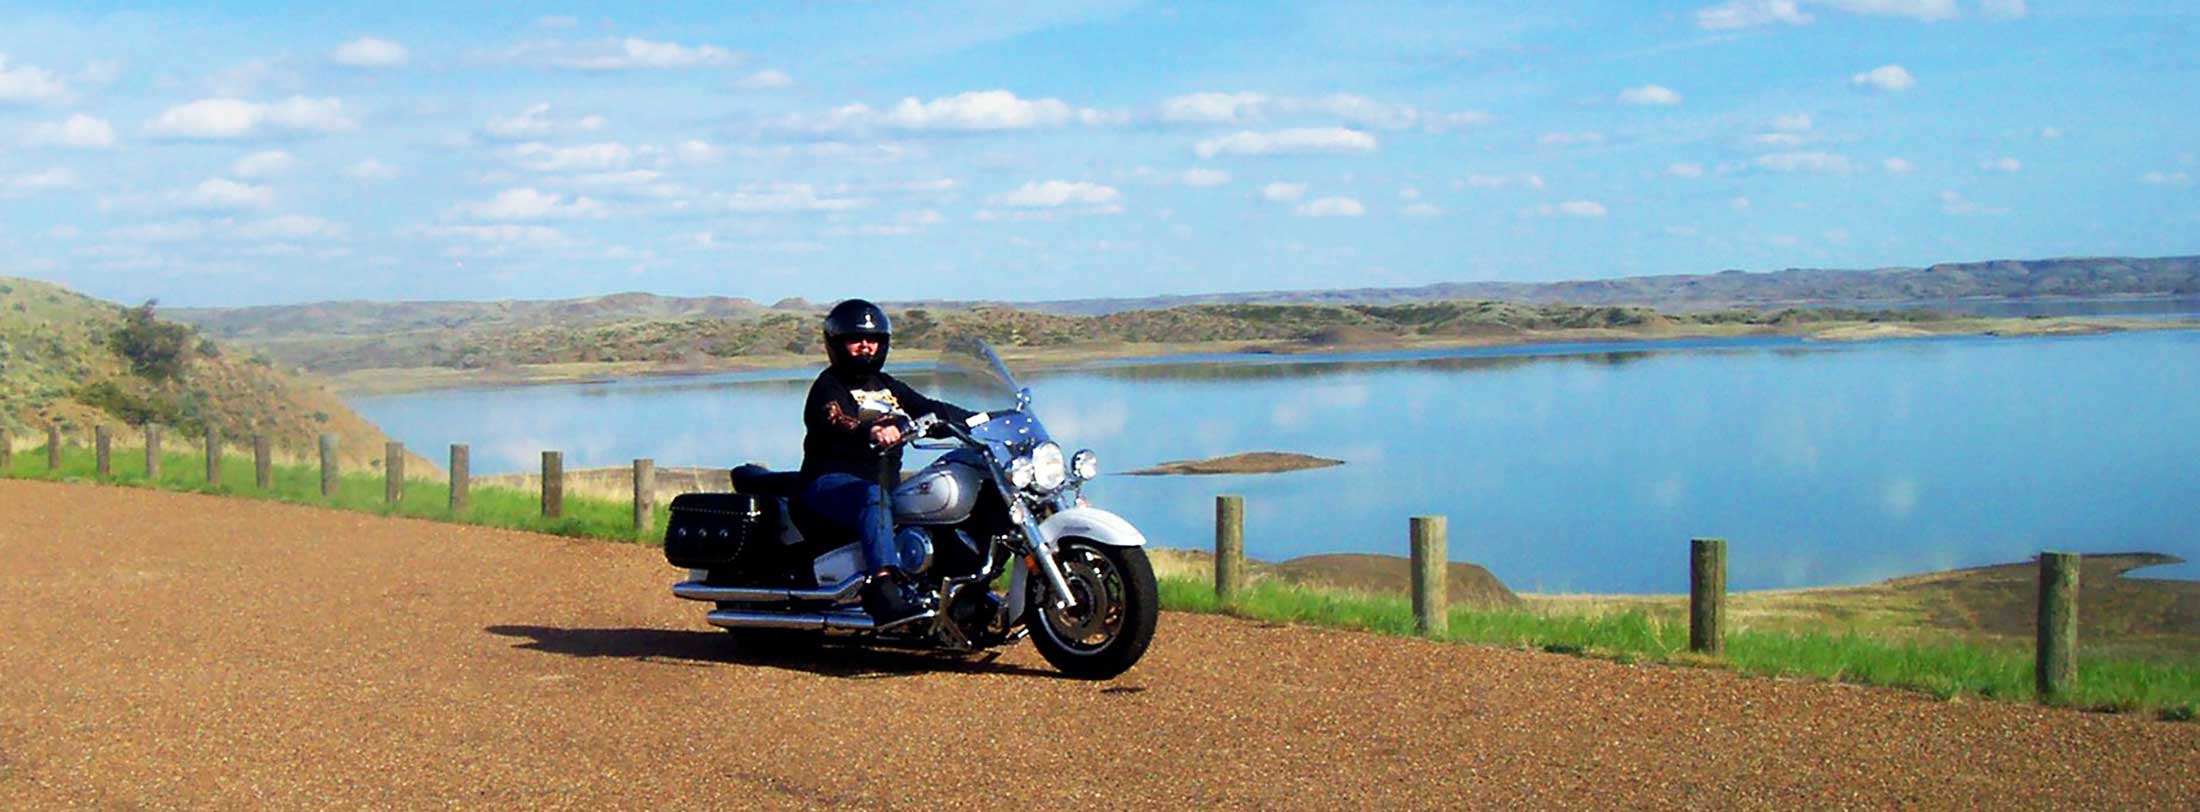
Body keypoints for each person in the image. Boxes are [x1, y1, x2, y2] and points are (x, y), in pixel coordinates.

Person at [797, 298, 973, 623]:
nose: (866, 346)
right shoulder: (828, 386)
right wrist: (874, 429)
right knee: (872, 496)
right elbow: (838, 420)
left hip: (881, 489)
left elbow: (931, 409)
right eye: (856, 339)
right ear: (837, 343)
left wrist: (981, 421)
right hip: (829, 486)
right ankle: (883, 589)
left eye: (874, 339)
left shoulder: (887, 386)